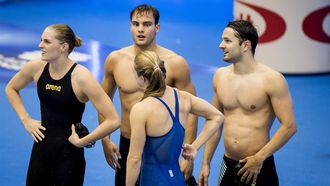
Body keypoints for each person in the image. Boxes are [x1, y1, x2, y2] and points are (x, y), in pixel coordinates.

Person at [5, 24, 120, 186]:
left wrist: (84, 140)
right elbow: (11, 88)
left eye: (46, 41)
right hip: (40, 151)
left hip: (69, 156)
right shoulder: (36, 67)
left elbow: (113, 120)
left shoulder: (82, 77)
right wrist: (26, 120)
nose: (40, 45)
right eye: (41, 40)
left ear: (63, 47)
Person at [98, 4, 198, 186]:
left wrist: (188, 156)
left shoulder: (176, 63)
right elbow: (103, 101)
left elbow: (191, 110)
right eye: (135, 24)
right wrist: (105, 139)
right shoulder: (115, 60)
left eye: (146, 24)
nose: (140, 29)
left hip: (163, 147)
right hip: (127, 144)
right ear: (130, 26)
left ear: (157, 27)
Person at [198, 20, 297, 186]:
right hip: (228, 163)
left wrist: (259, 158)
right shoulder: (220, 76)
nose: (221, 45)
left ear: (245, 45)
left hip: (259, 165)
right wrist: (205, 162)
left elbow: (289, 126)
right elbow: (215, 121)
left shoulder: (272, 80)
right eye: (222, 40)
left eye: (227, 41)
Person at [126, 51, 224, 186]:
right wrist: (195, 146)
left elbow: (134, 159)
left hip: (152, 180)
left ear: (142, 78)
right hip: (177, 180)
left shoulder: (141, 109)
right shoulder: (183, 98)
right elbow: (217, 116)